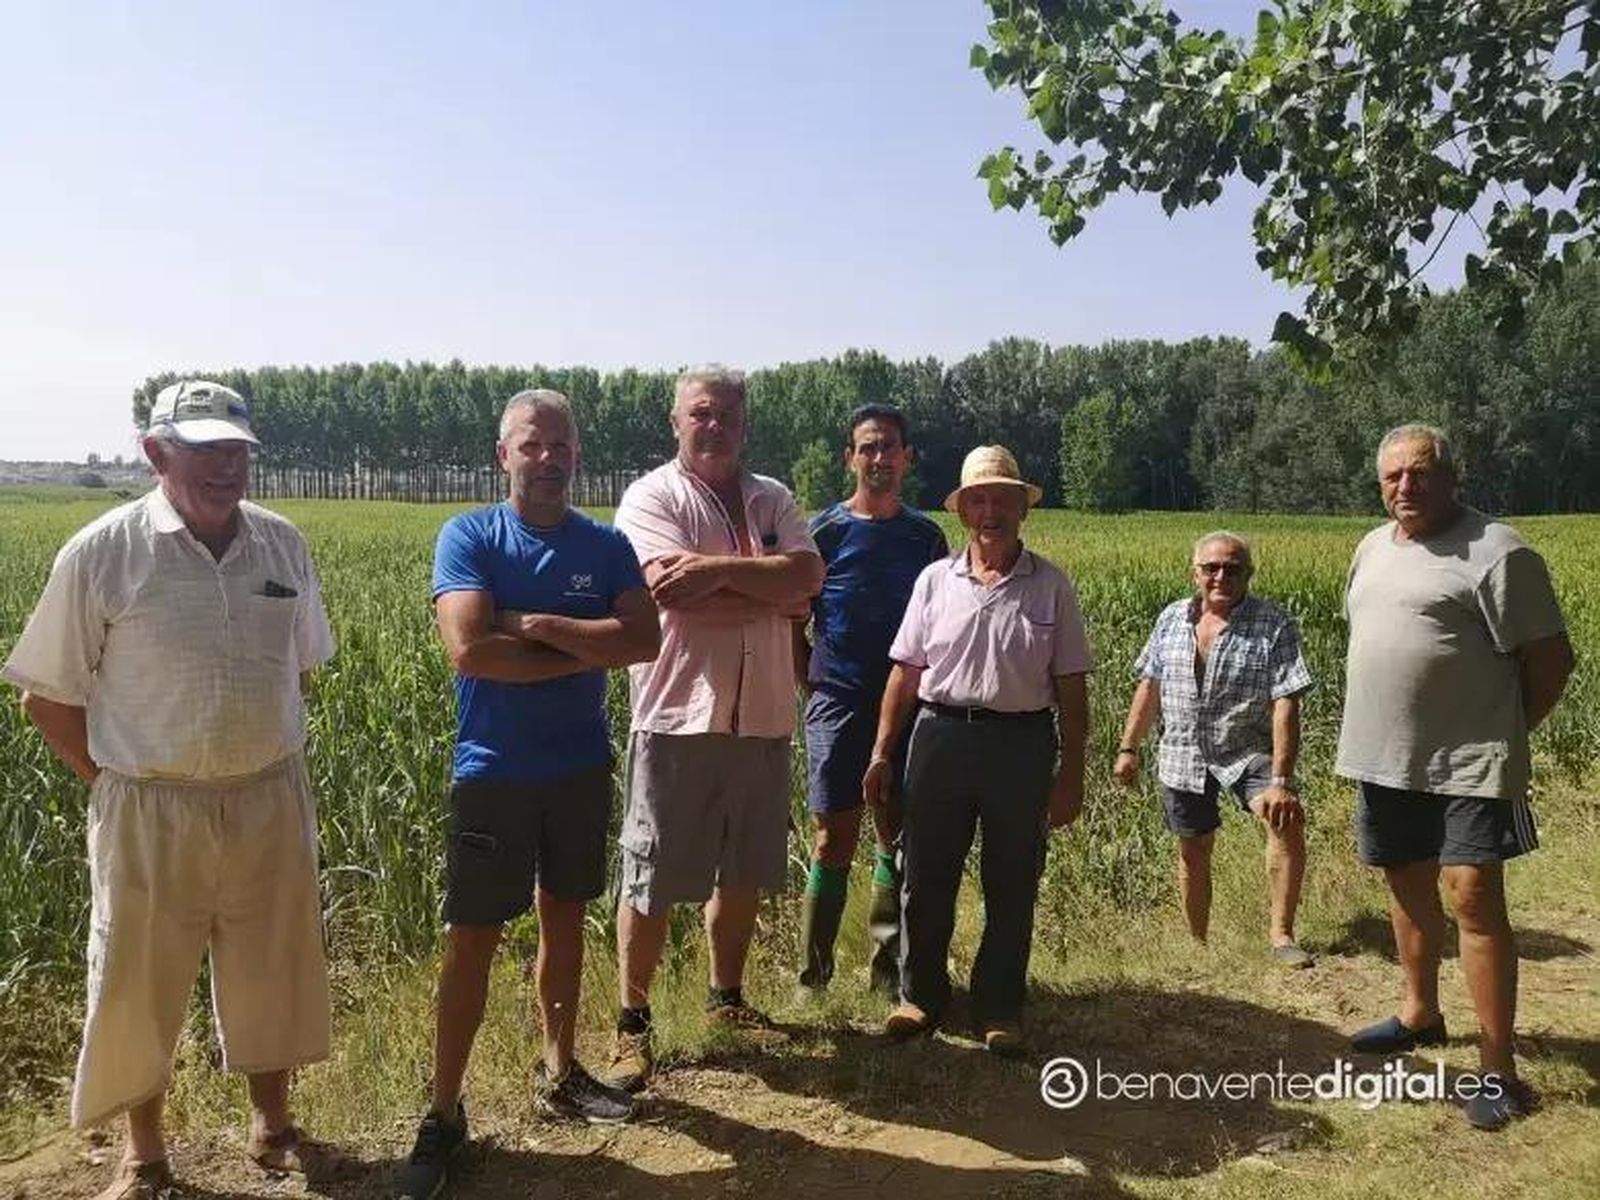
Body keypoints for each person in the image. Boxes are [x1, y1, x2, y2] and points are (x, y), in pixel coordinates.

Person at [3, 381, 336, 1200]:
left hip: (267, 792)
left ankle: (272, 1128)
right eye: (206, 449)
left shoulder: (282, 545)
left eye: (239, 449)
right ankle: (143, 1155)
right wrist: (118, 782)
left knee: (274, 965)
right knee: (135, 979)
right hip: (148, 806)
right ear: (156, 454)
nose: (228, 465)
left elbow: (301, 668)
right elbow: (45, 697)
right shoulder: (102, 552)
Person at [396, 390, 660, 1197]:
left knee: (565, 920)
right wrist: (589, 645)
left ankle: (560, 1070)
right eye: (531, 445)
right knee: (471, 939)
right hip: (493, 771)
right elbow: (471, 650)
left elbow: (644, 638)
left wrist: (539, 627)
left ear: (577, 455)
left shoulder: (608, 544)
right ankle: (444, 1113)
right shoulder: (469, 534)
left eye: (561, 445)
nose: (547, 459)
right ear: (503, 455)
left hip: (578, 766)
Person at [1338, 424, 1574, 1131]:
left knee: (1472, 897)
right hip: (1385, 756)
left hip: (1471, 761)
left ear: (1451, 475)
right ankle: (1420, 1013)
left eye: (1419, 472)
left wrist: (1502, 733)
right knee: (1407, 885)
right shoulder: (1372, 548)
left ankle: (1498, 1069)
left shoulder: (1498, 551)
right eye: (1391, 476)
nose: (1404, 486)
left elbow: (1551, 660)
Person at [606, 364, 823, 1091]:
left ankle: (725, 999)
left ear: (744, 422)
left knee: (743, 869)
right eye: (701, 412)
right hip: (675, 715)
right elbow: (665, 584)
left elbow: (809, 579)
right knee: (653, 874)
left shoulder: (774, 497)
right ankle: (631, 1026)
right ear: (676, 422)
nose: (715, 424)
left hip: (762, 712)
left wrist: (720, 576)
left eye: (727, 412)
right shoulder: (650, 495)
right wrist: (765, 582)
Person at [865, 445, 1090, 1056]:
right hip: (939, 736)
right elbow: (905, 673)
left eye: (1003, 500)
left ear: (1023, 509)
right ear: (964, 511)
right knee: (925, 875)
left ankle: (998, 1007)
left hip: (1021, 744)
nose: (991, 512)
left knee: (1013, 879)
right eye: (979, 501)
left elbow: (1071, 689)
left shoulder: (1051, 586)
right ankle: (921, 996)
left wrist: (1070, 775)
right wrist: (884, 751)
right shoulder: (935, 581)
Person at [791, 404, 948, 994]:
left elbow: (942, 622)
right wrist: (813, 684)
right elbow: (792, 621)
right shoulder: (822, 531)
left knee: (896, 832)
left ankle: (887, 972)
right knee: (831, 836)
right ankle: (814, 978)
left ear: (906, 458)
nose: (879, 458)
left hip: (910, 707)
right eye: (868, 448)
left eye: (889, 448)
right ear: (849, 458)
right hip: (836, 701)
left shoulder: (925, 537)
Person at [1113, 532, 1314, 966]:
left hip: (1246, 748)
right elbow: (1150, 686)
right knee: (1193, 848)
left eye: (1233, 568)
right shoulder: (1171, 619)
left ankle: (1281, 936)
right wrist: (1129, 747)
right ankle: (1198, 943)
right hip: (1183, 751)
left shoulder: (1272, 623)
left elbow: (1286, 701)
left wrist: (1281, 779)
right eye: (1211, 568)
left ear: (1249, 574)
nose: (1221, 576)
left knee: (1284, 823)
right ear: (1195, 573)